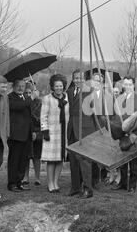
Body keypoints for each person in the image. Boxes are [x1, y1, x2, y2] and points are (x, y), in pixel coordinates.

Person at [111, 75, 137, 193]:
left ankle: (132, 186)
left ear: (134, 85)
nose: (127, 87)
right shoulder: (119, 98)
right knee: (122, 160)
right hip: (121, 133)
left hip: (134, 134)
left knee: (134, 162)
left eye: (129, 84)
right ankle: (123, 183)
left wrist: (136, 134)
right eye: (125, 84)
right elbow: (116, 116)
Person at [66, 69, 97, 199]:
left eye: (80, 78)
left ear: (84, 79)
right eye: (75, 78)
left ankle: (88, 189)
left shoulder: (90, 92)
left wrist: (96, 131)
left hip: (85, 129)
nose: (78, 80)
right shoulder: (68, 92)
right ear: (73, 79)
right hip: (72, 129)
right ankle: (75, 188)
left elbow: (95, 112)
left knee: (84, 161)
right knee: (73, 159)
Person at [41, 74, 69, 193]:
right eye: (56, 86)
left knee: (60, 159)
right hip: (52, 133)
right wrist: (45, 130)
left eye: (61, 86)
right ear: (52, 86)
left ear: (64, 86)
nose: (59, 88)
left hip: (64, 133)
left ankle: (56, 182)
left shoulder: (67, 98)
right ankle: (50, 183)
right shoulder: (47, 99)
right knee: (51, 160)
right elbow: (43, 116)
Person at [23, 82, 42, 186]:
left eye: (30, 92)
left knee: (36, 156)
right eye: (26, 93)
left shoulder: (39, 102)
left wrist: (35, 131)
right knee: (26, 156)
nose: (28, 94)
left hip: (37, 132)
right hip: (26, 132)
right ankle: (25, 177)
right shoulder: (24, 102)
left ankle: (37, 177)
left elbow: (40, 119)